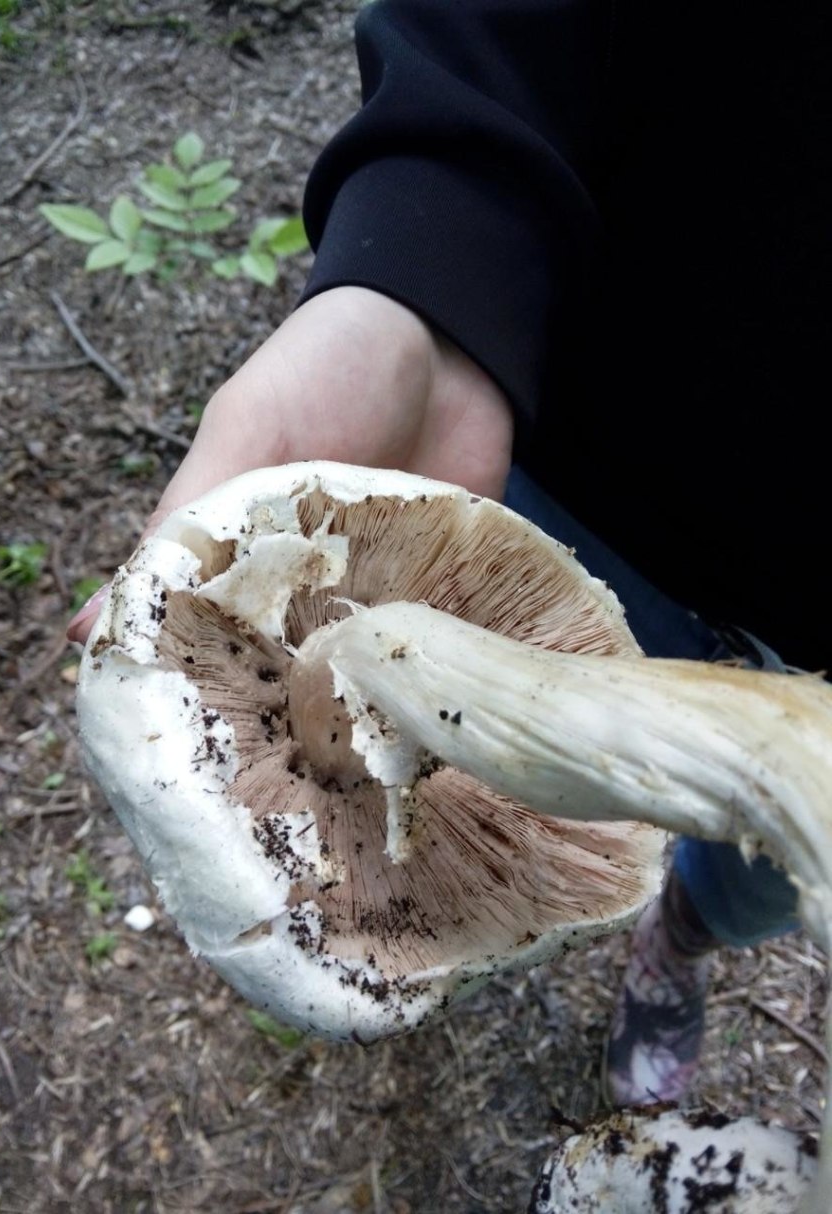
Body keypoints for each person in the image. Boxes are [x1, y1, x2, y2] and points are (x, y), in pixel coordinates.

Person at [69, 1, 830, 1105]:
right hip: (570, 468)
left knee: (756, 879)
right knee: (540, 756)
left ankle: (681, 937)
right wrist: (429, 266)